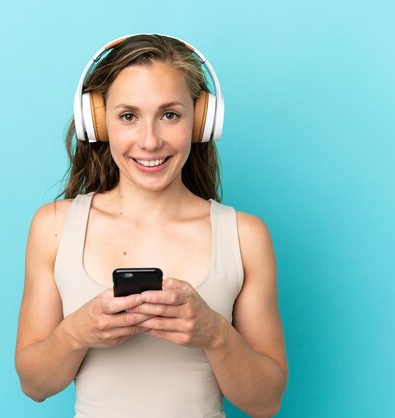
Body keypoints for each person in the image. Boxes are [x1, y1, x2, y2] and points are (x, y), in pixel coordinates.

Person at [15, 34, 288, 418]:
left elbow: (266, 402)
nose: (149, 140)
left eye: (170, 115)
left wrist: (213, 332)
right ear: (98, 122)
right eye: (128, 116)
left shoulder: (245, 237)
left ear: (202, 121)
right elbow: (34, 385)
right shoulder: (54, 227)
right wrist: (77, 332)